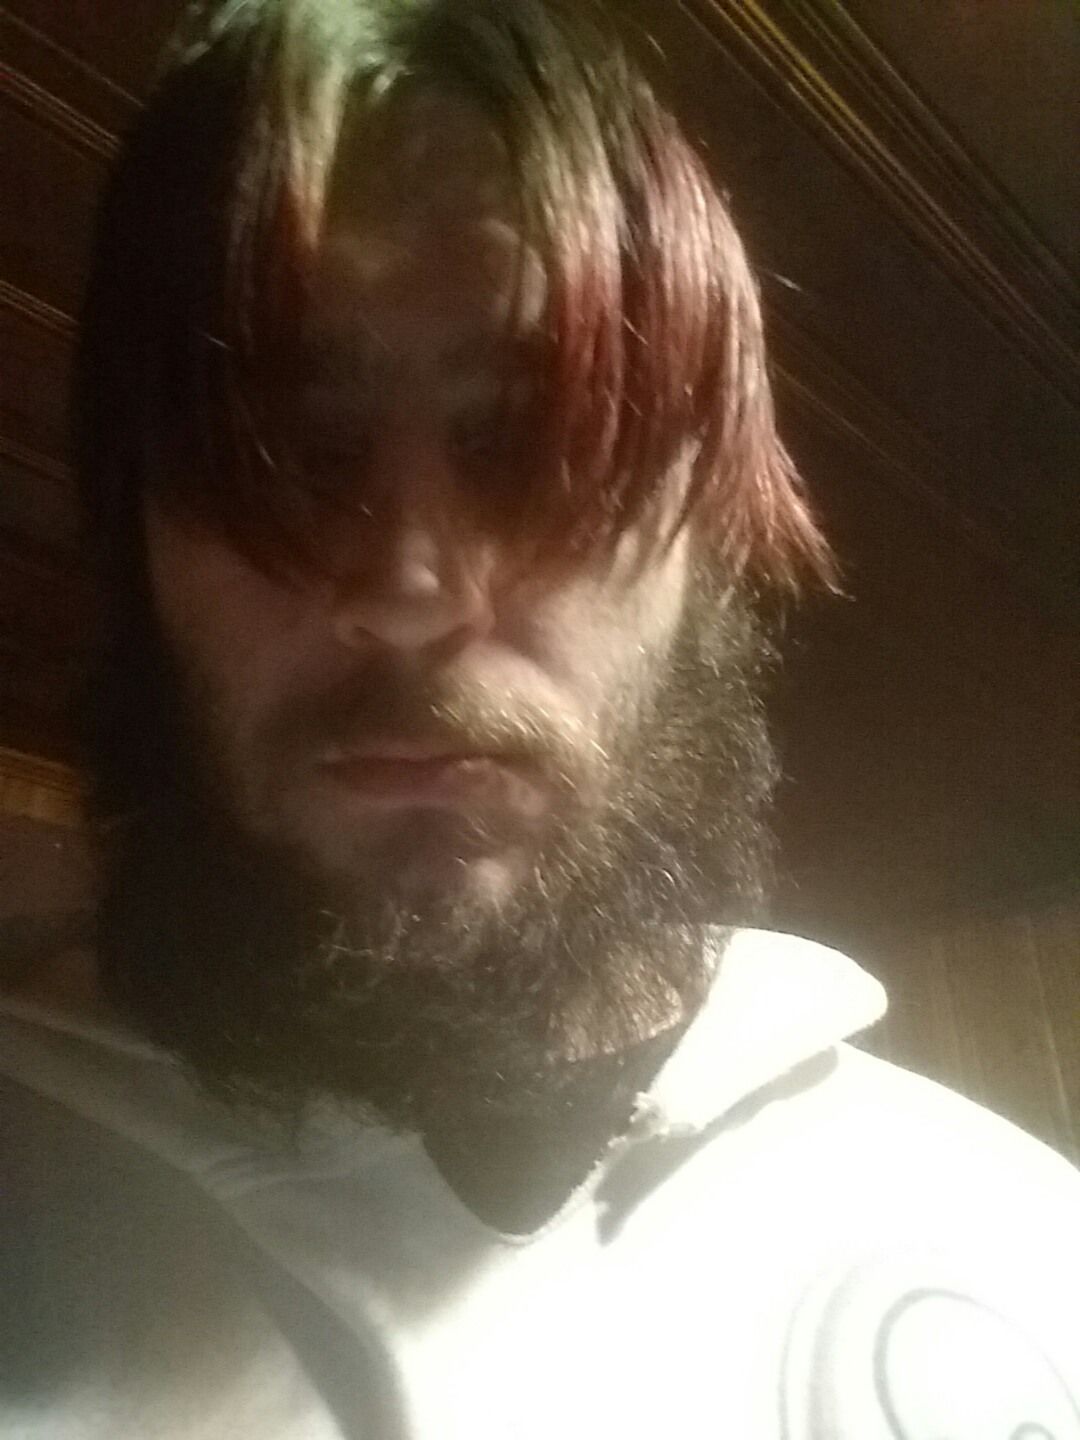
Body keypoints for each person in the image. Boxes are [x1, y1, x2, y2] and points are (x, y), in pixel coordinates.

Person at [2, 2, 1078, 1435]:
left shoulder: (1027, 1250)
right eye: (276, 453)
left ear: (710, 547)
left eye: (537, 445)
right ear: (133, 537)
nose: (410, 588)